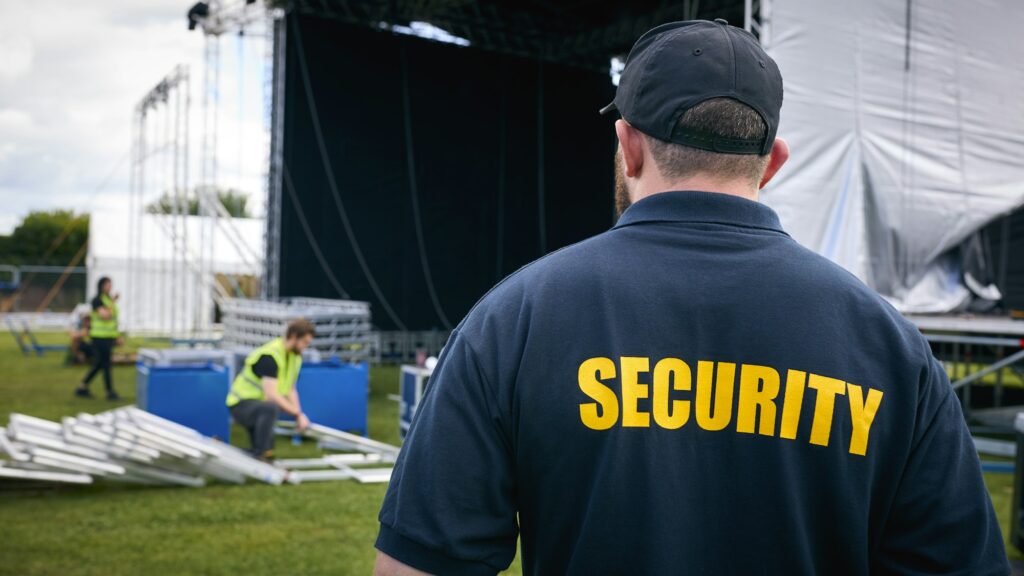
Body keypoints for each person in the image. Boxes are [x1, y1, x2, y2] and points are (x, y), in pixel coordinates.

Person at [374, 19, 1009, 576]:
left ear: (628, 145)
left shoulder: (513, 321)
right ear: (772, 161)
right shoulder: (890, 346)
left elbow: (417, 565)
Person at [226, 319, 315, 461]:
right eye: (304, 342)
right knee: (270, 409)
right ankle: (262, 453)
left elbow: (291, 390)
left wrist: (299, 414)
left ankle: (258, 453)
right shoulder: (270, 356)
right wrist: (297, 414)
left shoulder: (294, 357)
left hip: (259, 405)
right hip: (240, 403)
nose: (306, 347)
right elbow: (271, 395)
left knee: (265, 443)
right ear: (293, 336)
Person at [76, 276, 122, 400]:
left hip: (108, 337)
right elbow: (105, 315)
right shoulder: (97, 300)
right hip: (99, 337)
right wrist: (113, 301)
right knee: (105, 364)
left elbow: (113, 320)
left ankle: (82, 387)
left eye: (111, 284)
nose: (110, 287)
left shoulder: (107, 300)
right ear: (102, 286)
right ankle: (110, 392)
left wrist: (117, 336)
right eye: (108, 284)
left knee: (100, 364)